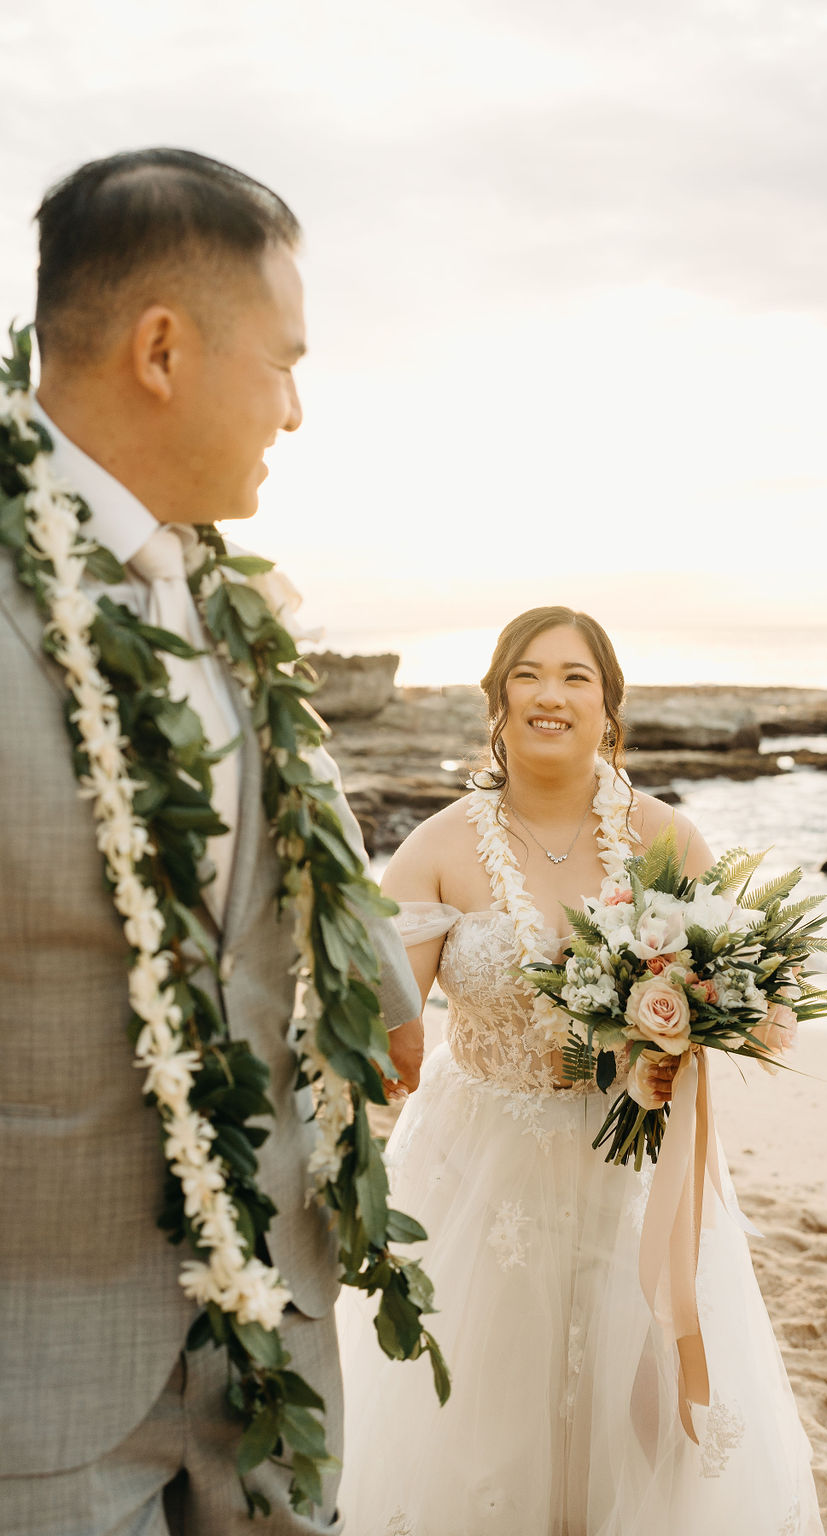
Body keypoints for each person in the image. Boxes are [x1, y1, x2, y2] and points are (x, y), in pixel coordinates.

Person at [0, 149, 424, 1535]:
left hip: (272, 1349)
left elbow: (290, 831)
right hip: (38, 1379)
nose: (296, 412)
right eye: (284, 363)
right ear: (163, 349)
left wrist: (380, 985)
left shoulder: (233, 597)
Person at [339, 606, 825, 1535]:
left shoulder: (669, 840)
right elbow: (384, 1035)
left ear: (610, 707)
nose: (549, 696)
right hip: (478, 1165)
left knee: (638, 1418)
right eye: (527, 674)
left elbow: (729, 1001)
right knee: (483, 1406)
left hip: (634, 1161)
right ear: (497, 700)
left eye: (575, 677)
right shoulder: (438, 845)